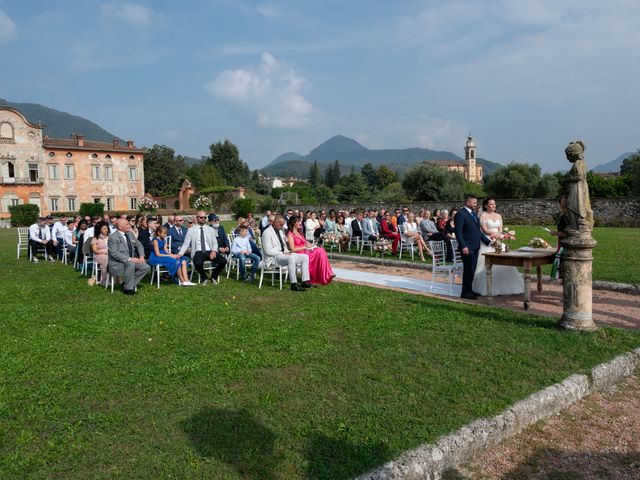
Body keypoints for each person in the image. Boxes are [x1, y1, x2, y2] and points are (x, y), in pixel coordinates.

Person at [472, 198, 524, 296]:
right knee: (486, 265)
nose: (493, 206)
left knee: (505, 264)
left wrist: (500, 235)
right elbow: (485, 230)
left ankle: (506, 286)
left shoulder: (499, 216)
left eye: (494, 204)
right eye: (491, 204)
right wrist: (495, 235)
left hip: (499, 240)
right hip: (488, 241)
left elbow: (501, 228)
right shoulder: (483, 215)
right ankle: (486, 287)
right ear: (486, 205)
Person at [454, 195, 492, 300]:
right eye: (474, 203)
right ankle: (465, 292)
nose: (476, 205)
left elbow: (477, 231)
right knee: (468, 269)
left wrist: (488, 242)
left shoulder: (473, 214)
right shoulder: (460, 214)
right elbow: (458, 232)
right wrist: (463, 246)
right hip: (467, 247)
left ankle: (469, 290)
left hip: (475, 246)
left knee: (472, 270)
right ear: (468, 202)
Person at [261, 215, 311, 292]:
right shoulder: (267, 232)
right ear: (275, 223)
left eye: (283, 224)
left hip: (283, 254)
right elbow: (267, 251)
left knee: (304, 257)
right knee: (290, 258)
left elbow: (284, 246)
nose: (282, 226)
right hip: (273, 258)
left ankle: (304, 281)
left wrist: (287, 248)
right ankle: (293, 284)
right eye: (281, 224)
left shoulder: (280, 231)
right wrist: (282, 253)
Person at [178, 210, 227, 284]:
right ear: (197, 218)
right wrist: (180, 254)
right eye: (201, 217)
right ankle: (204, 277)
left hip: (210, 251)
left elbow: (215, 243)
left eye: (205, 217)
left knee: (223, 261)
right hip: (198, 251)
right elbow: (186, 244)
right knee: (197, 262)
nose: (203, 219)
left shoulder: (210, 229)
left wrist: (214, 251)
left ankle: (214, 276)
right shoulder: (191, 230)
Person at [287, 215, 335, 285]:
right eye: (298, 222)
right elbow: (292, 249)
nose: (300, 223)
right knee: (320, 251)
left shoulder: (300, 233)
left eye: (300, 221)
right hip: (299, 253)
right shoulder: (290, 234)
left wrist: (308, 244)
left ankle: (327, 273)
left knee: (321, 249)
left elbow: (304, 242)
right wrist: (305, 247)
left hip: (306, 250)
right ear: (293, 223)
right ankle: (323, 275)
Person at [107, 218, 151, 294]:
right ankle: (128, 289)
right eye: (127, 224)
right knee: (130, 264)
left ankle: (126, 284)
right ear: (120, 227)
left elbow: (139, 245)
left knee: (146, 267)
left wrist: (141, 256)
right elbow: (114, 253)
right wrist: (130, 259)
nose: (129, 225)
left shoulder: (130, 234)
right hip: (118, 263)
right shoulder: (113, 237)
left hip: (131, 261)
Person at [89, 221, 110, 286]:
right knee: (106, 259)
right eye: (104, 229)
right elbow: (95, 250)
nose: (106, 230)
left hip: (109, 254)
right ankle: (103, 280)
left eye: (106, 228)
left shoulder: (109, 237)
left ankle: (115, 278)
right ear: (99, 230)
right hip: (99, 255)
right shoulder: (95, 238)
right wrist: (105, 252)